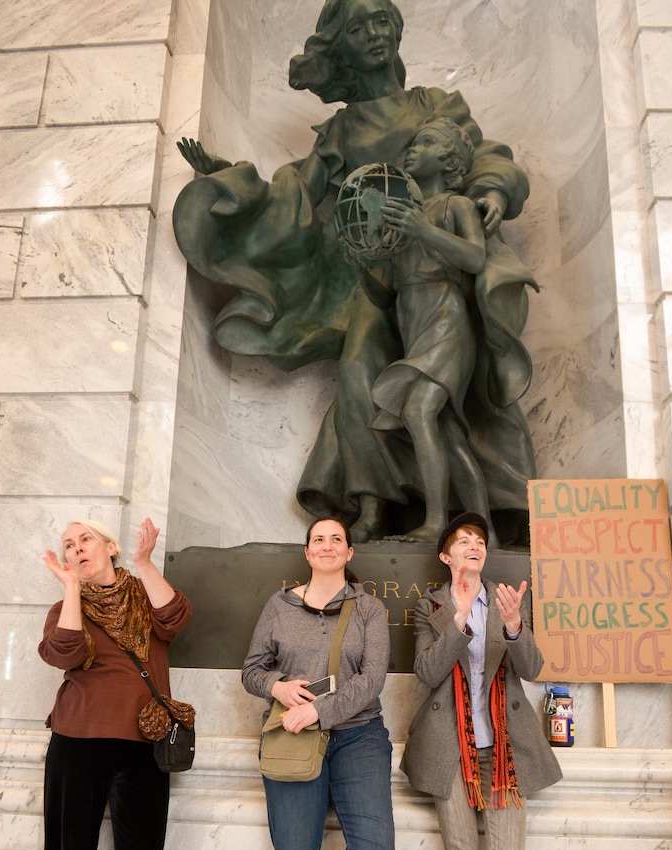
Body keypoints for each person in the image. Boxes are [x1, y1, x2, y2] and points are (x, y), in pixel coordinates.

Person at [174, 0, 538, 544]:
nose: (375, 34)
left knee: (447, 405)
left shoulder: (435, 103)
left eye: (383, 22)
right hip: (375, 278)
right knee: (357, 376)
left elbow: (482, 155)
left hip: (436, 276)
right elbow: (295, 192)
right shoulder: (342, 128)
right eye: (360, 27)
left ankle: (488, 512)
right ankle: (372, 505)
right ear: (342, 45)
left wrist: (491, 191)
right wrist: (232, 183)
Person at [401, 512, 562, 850]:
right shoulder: (432, 606)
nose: (473, 548)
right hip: (451, 755)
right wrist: (461, 619)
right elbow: (425, 671)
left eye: (479, 543)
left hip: (505, 756)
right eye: (462, 542)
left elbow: (534, 667)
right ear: (446, 557)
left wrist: (515, 628)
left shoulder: (506, 602)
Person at [242, 517, 394, 850]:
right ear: (307, 552)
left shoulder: (370, 609)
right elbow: (252, 670)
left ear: (349, 551)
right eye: (318, 539)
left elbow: (372, 679)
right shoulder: (279, 605)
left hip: (358, 737)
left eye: (336, 539)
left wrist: (317, 711)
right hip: (290, 739)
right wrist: (278, 687)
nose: (327, 546)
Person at [38, 518, 192, 850]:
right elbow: (63, 653)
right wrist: (70, 589)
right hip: (77, 742)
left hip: (145, 746)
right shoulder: (66, 607)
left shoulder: (144, 595)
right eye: (68, 545)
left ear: (111, 547)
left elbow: (176, 617)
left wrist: (147, 564)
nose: (77, 548)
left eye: (85, 540)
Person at [359, 118, 490, 543]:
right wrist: (364, 261)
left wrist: (423, 229)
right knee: (447, 433)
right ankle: (484, 531)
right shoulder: (402, 220)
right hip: (413, 319)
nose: (414, 149)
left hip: (447, 318)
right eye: (412, 143)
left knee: (418, 410)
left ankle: (437, 523)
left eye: (427, 142)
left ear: (450, 160)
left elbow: (474, 257)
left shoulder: (455, 205)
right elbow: (387, 292)